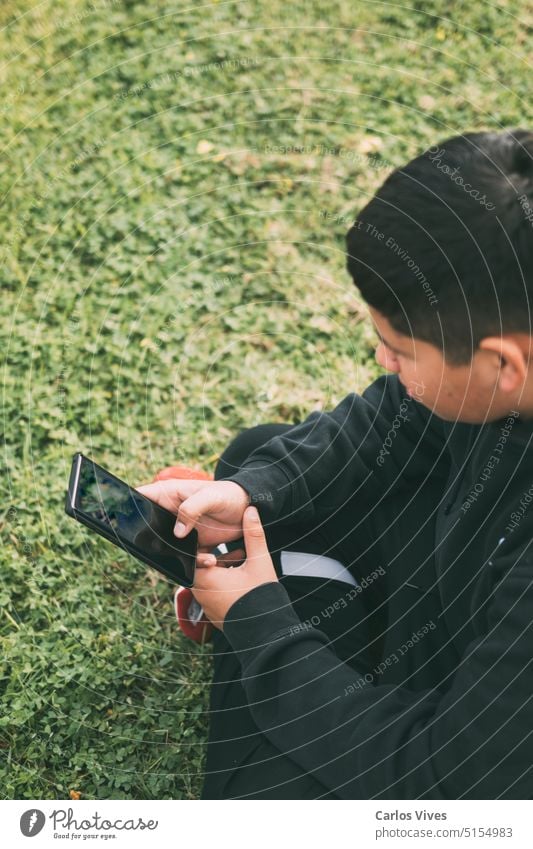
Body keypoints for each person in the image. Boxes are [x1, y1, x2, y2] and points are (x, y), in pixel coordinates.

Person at [139, 130, 533, 799]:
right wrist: (248, 492)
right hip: (451, 580)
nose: (384, 363)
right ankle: (284, 590)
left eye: (397, 349)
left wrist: (260, 624)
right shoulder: (494, 381)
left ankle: (280, 604)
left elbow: (439, 785)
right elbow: (396, 418)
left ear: (500, 365)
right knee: (259, 466)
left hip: (455, 756)